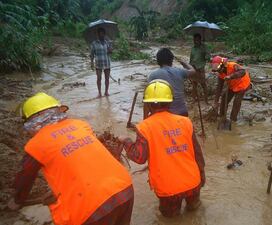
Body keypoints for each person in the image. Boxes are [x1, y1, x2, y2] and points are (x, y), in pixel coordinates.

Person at [7, 92, 134, 225]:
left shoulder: (36, 144)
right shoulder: (81, 125)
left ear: (32, 123)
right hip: (124, 188)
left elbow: (25, 176)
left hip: (92, 207)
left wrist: (17, 200)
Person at [119, 80, 205, 217]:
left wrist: (126, 141)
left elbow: (139, 157)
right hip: (193, 182)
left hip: (168, 188)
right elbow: (197, 152)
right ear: (170, 101)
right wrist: (201, 174)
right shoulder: (185, 121)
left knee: (170, 218)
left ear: (147, 104)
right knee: (194, 210)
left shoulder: (144, 127)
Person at [146, 48, 197, 118]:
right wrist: (184, 63)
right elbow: (193, 71)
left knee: (148, 98)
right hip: (182, 113)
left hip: (166, 115)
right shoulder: (180, 71)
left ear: (158, 61)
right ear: (171, 60)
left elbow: (148, 100)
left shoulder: (153, 75)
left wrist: (145, 119)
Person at [211, 55, 251, 122]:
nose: (218, 72)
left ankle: (233, 119)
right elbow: (219, 88)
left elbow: (242, 71)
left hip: (242, 84)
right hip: (232, 85)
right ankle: (222, 116)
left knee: (236, 102)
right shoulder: (220, 74)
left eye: (218, 70)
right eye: (217, 71)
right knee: (224, 99)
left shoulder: (233, 65)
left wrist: (231, 76)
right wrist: (215, 101)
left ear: (222, 65)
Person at [90, 27, 113, 97]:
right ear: (98, 34)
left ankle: (106, 92)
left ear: (104, 34)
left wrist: (110, 48)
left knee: (107, 78)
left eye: (103, 33)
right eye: (100, 33)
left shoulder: (107, 42)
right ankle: (99, 92)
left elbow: (110, 52)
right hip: (98, 63)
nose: (101, 35)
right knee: (99, 78)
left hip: (107, 62)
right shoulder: (94, 43)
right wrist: (91, 63)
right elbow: (92, 54)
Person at [190, 33, 210, 104]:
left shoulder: (204, 47)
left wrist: (205, 53)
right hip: (194, 68)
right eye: (194, 40)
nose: (196, 41)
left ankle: (206, 101)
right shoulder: (193, 48)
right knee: (194, 85)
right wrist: (190, 68)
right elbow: (191, 59)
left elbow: (208, 58)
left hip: (201, 68)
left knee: (203, 85)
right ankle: (194, 99)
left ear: (200, 40)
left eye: (197, 40)